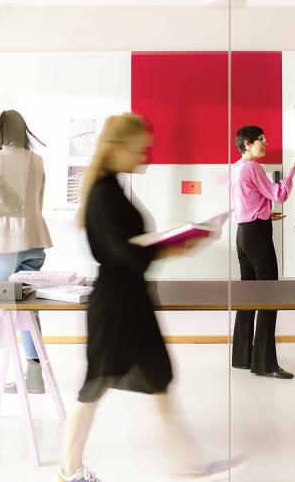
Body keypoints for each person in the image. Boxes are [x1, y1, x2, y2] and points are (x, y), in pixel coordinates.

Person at [59, 113, 244, 482]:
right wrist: (173, 246)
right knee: (95, 385)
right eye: (140, 150)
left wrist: (171, 244)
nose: (147, 156)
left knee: (159, 377)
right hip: (114, 306)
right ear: (116, 149)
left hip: (132, 301)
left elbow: (130, 249)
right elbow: (126, 254)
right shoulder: (103, 194)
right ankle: (69, 469)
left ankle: (191, 461)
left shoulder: (112, 189)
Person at [0, 110, 52, 394]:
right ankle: (35, 376)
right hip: (35, 239)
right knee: (28, 308)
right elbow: (38, 201)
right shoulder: (37, 160)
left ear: (0, 131)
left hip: (4, 242)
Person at [230, 125, 295, 379]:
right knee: (268, 295)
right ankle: (265, 363)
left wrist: (264, 213)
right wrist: (292, 169)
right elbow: (279, 194)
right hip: (257, 236)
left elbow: (242, 204)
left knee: (248, 295)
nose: (265, 143)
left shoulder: (235, 168)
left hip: (243, 234)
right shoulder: (253, 167)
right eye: (261, 140)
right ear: (247, 144)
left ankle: (242, 356)